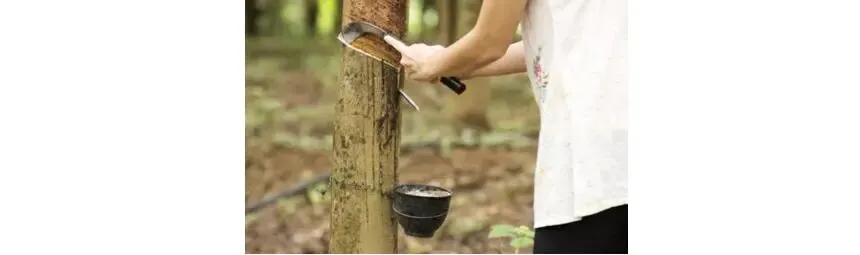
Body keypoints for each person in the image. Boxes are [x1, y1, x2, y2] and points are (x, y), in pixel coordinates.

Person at [398, 0, 627, 253]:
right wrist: (451, 62)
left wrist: (432, 63)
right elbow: (554, 42)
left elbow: (490, 40)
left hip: (595, 160)